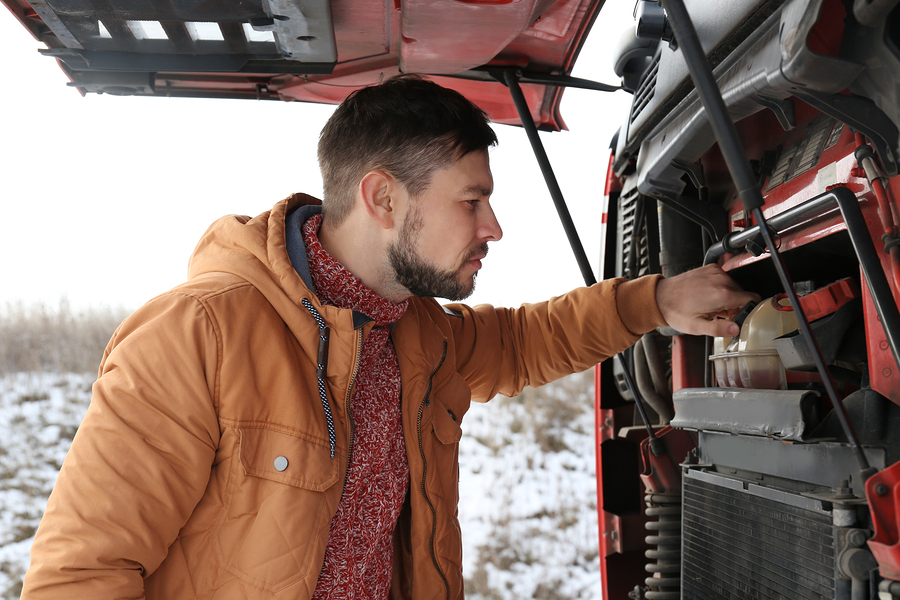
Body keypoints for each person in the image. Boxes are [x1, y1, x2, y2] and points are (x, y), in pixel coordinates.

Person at [21, 74, 757, 600]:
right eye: (473, 201)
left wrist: (657, 298)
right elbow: (81, 574)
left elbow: (532, 339)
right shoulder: (198, 334)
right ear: (381, 197)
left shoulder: (419, 333)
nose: (493, 228)